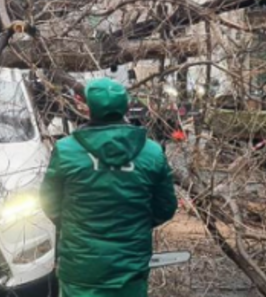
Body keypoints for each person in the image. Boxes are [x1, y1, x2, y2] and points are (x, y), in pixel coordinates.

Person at [40, 78, 178, 297]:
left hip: (81, 268)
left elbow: (49, 203)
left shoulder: (67, 151)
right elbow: (165, 208)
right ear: (126, 107)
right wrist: (136, 224)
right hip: (129, 268)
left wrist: (74, 225)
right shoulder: (151, 153)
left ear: (88, 108)